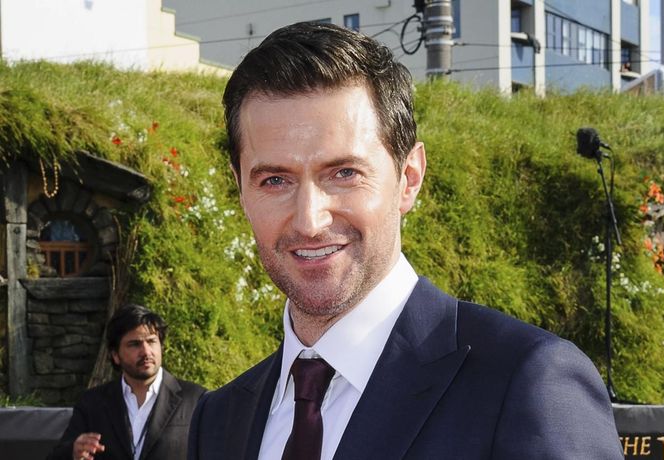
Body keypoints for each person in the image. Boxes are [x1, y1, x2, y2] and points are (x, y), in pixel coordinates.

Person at [188, 22, 623, 460]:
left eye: (344, 174)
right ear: (241, 189)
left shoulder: (527, 383)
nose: (310, 220)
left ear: (409, 178)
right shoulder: (218, 420)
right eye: (275, 180)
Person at [48, 304, 205, 460]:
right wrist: (74, 452)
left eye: (151, 341)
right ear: (115, 355)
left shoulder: (196, 399)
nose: (146, 352)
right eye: (135, 344)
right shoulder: (92, 403)